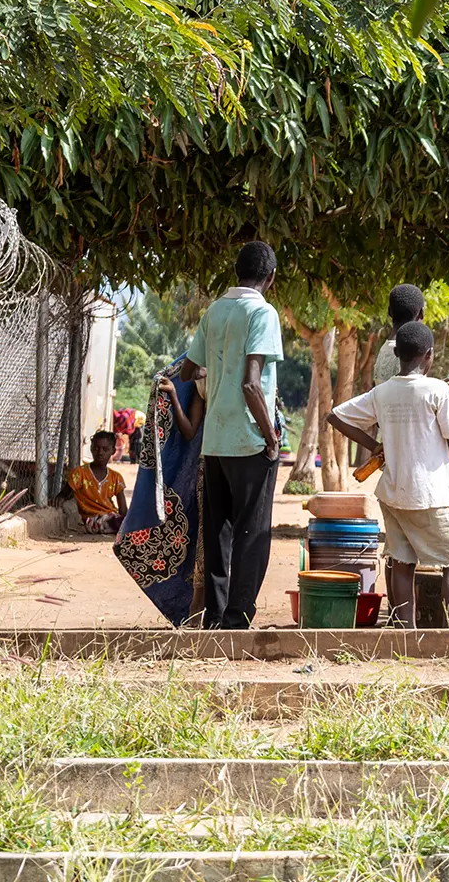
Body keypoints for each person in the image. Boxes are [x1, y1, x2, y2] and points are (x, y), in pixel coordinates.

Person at [329, 322, 449, 629]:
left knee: (403, 563)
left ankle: (405, 634)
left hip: (393, 492)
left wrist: (372, 445)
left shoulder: (382, 393)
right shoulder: (439, 390)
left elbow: (335, 416)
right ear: (429, 355)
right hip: (428, 494)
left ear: (397, 355)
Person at [180, 240, 283, 629]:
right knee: (252, 533)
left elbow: (188, 370)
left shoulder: (214, 311)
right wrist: (271, 437)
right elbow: (252, 384)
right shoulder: (262, 312)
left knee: (218, 533)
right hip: (249, 438)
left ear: (236, 271)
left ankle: (214, 617)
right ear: (270, 278)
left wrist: (214, 372)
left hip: (215, 440)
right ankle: (237, 620)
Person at [114, 358, 206, 625]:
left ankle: (215, 610)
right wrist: (175, 395)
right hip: (208, 469)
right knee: (204, 540)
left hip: (236, 466)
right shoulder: (204, 383)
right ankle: (197, 609)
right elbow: (189, 431)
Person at [61, 430, 128, 535]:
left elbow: (123, 509)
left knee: (128, 521)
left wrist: (127, 520)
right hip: (91, 519)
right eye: (96, 448)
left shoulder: (116, 477)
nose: (100, 453)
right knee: (115, 523)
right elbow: (65, 493)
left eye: (105, 449)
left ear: (113, 451)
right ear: (91, 449)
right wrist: (60, 498)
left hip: (111, 516)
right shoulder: (80, 473)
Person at [372, 284, 427, 386]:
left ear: (389, 312)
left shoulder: (384, 350)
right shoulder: (410, 352)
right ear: (421, 313)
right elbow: (412, 392)